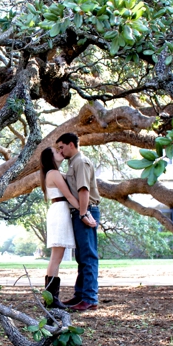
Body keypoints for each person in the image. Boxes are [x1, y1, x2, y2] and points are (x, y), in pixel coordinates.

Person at [55, 132, 100, 311]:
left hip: (86, 211)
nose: (61, 151)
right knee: (82, 257)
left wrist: (83, 214)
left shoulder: (81, 162)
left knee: (88, 256)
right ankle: (80, 295)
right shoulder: (73, 163)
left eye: (62, 147)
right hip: (80, 212)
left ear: (71, 144)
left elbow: (83, 190)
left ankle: (89, 298)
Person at [39, 147, 81, 309]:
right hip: (60, 211)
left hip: (58, 210)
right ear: (50, 157)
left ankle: (51, 298)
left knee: (56, 256)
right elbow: (69, 196)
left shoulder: (52, 174)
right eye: (56, 151)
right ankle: (51, 298)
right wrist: (84, 212)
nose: (60, 152)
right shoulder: (54, 174)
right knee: (56, 256)